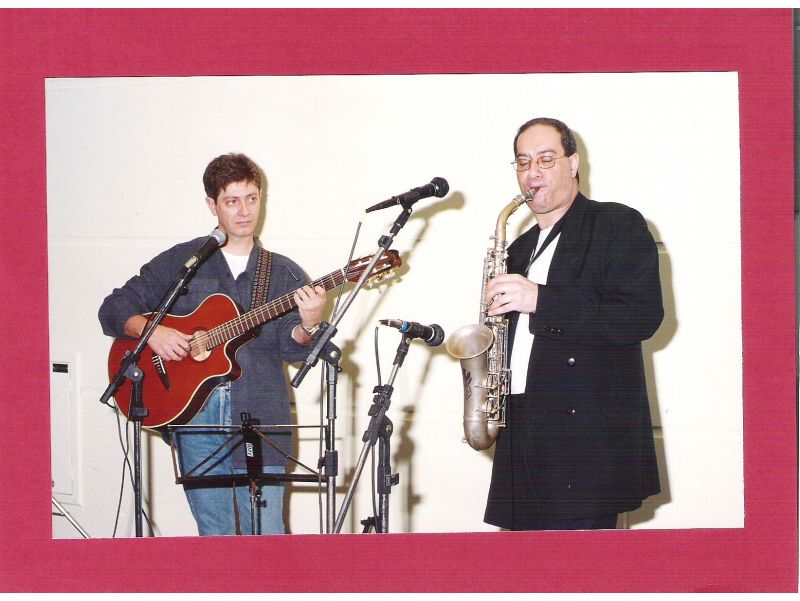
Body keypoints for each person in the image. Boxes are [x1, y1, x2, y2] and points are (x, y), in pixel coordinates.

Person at [99, 153, 327, 536]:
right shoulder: (184, 261)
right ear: (212, 204)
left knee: (267, 535)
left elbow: (293, 347)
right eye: (231, 201)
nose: (244, 211)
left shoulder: (284, 273)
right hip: (196, 421)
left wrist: (310, 323)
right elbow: (114, 307)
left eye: (251, 198)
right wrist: (152, 331)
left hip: (260, 415)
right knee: (214, 535)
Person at [482, 117, 663, 531]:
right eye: (523, 162)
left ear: (573, 163)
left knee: (581, 564)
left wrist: (541, 300)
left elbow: (641, 315)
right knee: (523, 564)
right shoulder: (519, 248)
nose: (533, 172)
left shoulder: (615, 224)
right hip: (522, 427)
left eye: (546, 159)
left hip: (583, 437)